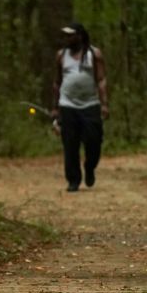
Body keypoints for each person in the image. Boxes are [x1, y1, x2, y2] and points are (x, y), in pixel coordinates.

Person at [51, 23, 108, 192]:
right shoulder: (61, 55)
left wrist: (104, 104)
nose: (67, 39)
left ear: (80, 36)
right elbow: (57, 82)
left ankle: (89, 167)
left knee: (94, 141)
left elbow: (101, 80)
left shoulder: (94, 54)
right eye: (65, 36)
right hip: (67, 104)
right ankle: (73, 180)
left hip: (90, 104)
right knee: (70, 143)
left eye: (70, 35)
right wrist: (55, 107)